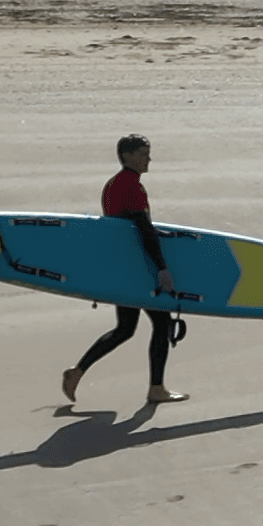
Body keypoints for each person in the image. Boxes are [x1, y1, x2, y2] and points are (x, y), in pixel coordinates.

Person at [61, 134, 187, 405]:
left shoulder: (113, 185)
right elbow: (143, 230)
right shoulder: (131, 187)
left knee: (126, 329)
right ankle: (156, 389)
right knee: (161, 323)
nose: (148, 159)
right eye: (143, 153)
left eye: (148, 153)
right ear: (127, 156)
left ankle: (77, 371)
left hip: (122, 268)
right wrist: (162, 268)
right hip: (138, 270)